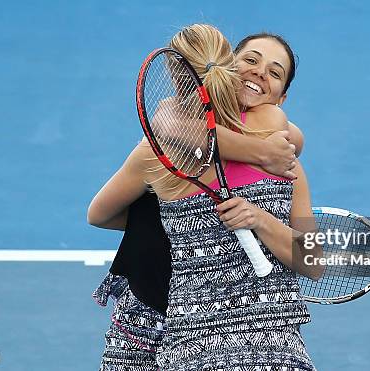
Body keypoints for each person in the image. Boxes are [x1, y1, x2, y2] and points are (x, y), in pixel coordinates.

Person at [90, 25, 317, 370]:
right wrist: (179, 227)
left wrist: (259, 218)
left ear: (282, 97)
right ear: (226, 66)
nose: (260, 72)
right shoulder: (275, 154)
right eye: (251, 61)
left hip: (236, 338)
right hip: (153, 316)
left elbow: (313, 259)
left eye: (275, 72)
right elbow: (168, 121)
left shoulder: (285, 157)